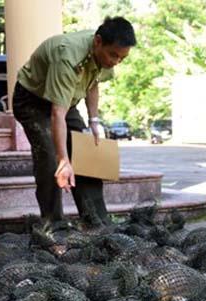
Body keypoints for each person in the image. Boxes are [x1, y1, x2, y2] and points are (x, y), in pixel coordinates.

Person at [12, 17, 136, 226]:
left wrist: (94, 120)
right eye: (113, 55)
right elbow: (56, 114)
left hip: (65, 101)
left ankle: (96, 219)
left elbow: (93, 83)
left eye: (121, 59)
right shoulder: (67, 56)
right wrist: (64, 160)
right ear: (98, 41)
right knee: (50, 158)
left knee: (86, 152)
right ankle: (54, 223)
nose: (115, 62)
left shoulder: (105, 55)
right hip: (32, 101)